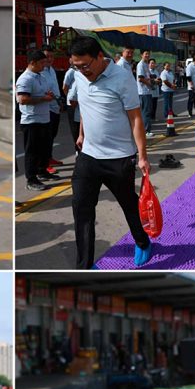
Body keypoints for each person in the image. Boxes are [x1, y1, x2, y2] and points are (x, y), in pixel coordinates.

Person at [68, 37, 152, 269]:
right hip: (88, 157)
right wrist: (82, 133)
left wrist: (142, 157)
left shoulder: (122, 78)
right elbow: (84, 104)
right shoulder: (78, 75)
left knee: (128, 203)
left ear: (99, 56)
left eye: (86, 65)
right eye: (77, 66)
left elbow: (135, 118)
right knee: (81, 210)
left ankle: (142, 241)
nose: (82, 71)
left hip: (119, 158)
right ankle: (84, 268)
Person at [16, 49, 55, 191]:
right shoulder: (25, 79)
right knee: (32, 152)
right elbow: (23, 99)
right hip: (32, 121)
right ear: (32, 63)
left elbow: (41, 93)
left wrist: (47, 95)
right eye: (42, 62)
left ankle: (42, 172)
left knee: (44, 149)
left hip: (44, 118)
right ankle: (31, 180)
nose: (44, 65)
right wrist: (44, 98)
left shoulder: (40, 77)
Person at [41, 45, 63, 170]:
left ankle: (49, 158)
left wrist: (59, 103)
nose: (49, 59)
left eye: (51, 56)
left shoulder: (51, 70)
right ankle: (45, 164)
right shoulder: (40, 71)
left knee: (52, 135)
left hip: (55, 106)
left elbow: (55, 87)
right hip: (46, 108)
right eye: (46, 56)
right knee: (45, 137)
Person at [62, 58, 80, 155]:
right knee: (75, 127)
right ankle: (77, 149)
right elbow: (65, 87)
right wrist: (69, 98)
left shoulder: (81, 71)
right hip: (72, 103)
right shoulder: (70, 72)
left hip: (80, 102)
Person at [136, 50, 155, 136]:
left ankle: (147, 129)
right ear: (141, 55)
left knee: (148, 111)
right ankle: (146, 130)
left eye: (148, 54)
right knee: (146, 112)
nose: (147, 55)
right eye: (145, 54)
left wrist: (154, 80)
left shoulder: (146, 65)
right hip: (143, 91)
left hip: (148, 91)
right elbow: (140, 78)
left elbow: (147, 77)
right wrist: (150, 84)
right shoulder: (140, 65)